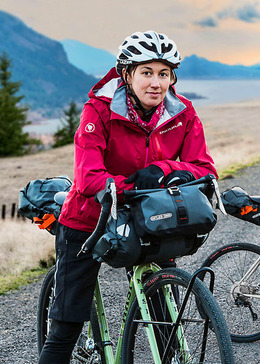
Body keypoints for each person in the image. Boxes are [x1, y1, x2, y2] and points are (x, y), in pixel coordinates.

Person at [38, 30, 217, 363]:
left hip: (149, 219)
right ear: (127, 73)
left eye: (163, 74)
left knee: (165, 319)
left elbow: (204, 168)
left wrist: (162, 171)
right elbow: (89, 177)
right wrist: (134, 186)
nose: (156, 83)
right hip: (89, 220)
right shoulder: (99, 110)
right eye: (146, 72)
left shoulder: (183, 114)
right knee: (65, 327)